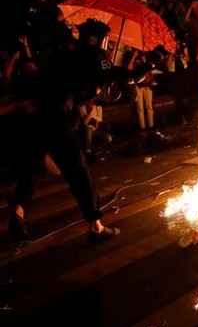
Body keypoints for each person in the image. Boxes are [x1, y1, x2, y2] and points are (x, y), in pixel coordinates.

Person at [2, 18, 151, 247]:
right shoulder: (93, 57)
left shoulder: (65, 54)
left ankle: (18, 214)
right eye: (103, 40)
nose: (105, 45)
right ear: (93, 39)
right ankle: (96, 227)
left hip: (35, 115)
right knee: (77, 168)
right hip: (54, 117)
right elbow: (125, 77)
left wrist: (93, 88)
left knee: (33, 168)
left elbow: (74, 87)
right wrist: (149, 65)